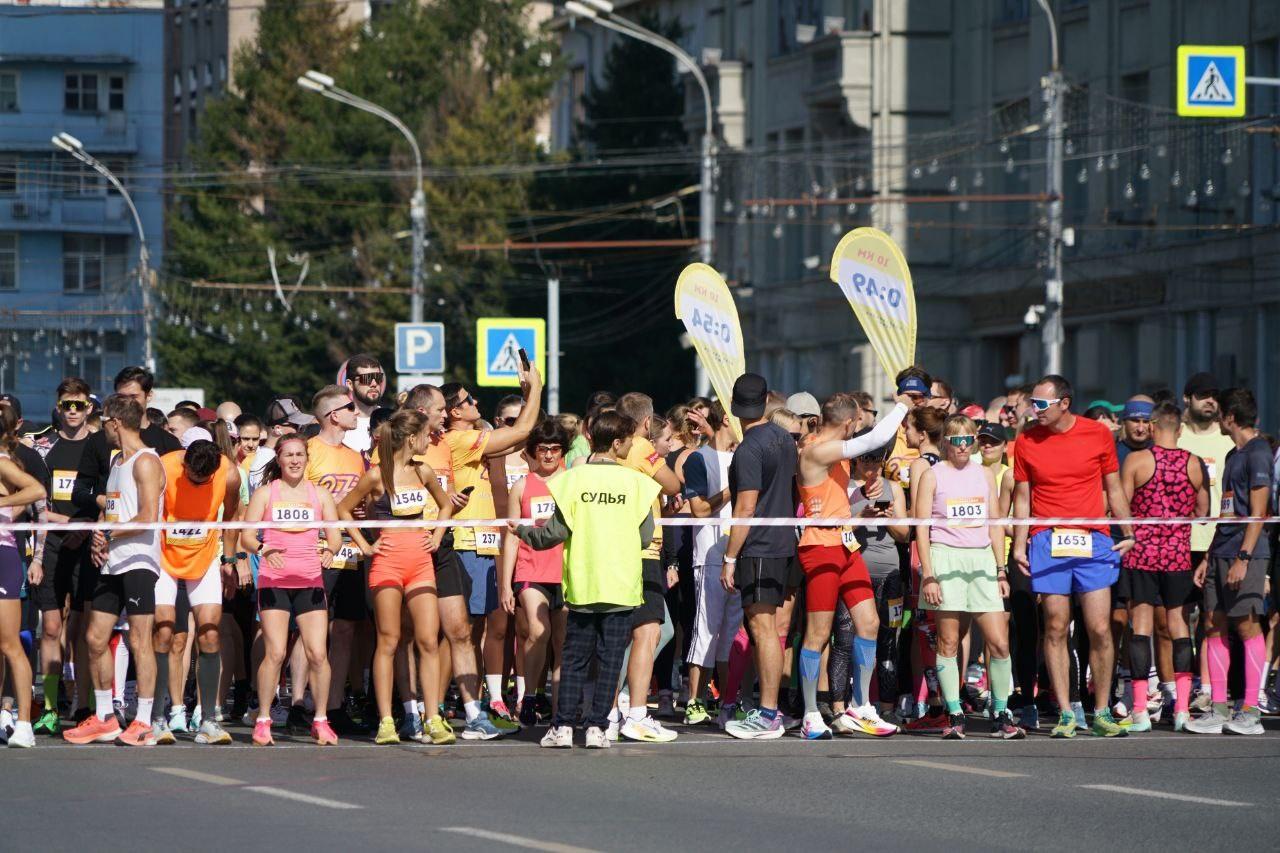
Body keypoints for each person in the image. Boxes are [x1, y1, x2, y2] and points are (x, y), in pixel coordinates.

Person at [509, 411, 661, 749]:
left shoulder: (572, 480)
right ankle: (597, 728)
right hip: (621, 583)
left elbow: (552, 534)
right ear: (619, 443)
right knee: (610, 659)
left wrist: (521, 530)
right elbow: (646, 537)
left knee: (574, 657)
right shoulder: (637, 483)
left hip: (583, 581)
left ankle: (563, 727)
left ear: (591, 439)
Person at [1011, 375, 1134, 738]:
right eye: (1033, 403)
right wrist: (1019, 543)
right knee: (1054, 624)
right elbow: (1022, 496)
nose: (1035, 410)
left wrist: (1127, 532)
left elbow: (1113, 487)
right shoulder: (1025, 440)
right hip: (1047, 539)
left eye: (1042, 404)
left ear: (1065, 403)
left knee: (1099, 627)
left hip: (1094, 539)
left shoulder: (1098, 434)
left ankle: (1101, 711)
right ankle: (1065, 712)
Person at [794, 394, 908, 739]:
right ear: (848, 423)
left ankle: (861, 706)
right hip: (820, 548)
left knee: (869, 622)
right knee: (818, 632)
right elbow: (875, 439)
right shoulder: (816, 449)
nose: (859, 428)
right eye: (857, 422)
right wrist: (902, 405)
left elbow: (836, 501)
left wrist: (862, 499)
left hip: (845, 544)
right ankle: (811, 713)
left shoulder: (838, 453)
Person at [340, 409, 455, 746]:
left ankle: (432, 717)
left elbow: (445, 506)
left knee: (428, 640)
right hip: (387, 563)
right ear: (411, 439)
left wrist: (435, 535)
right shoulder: (377, 475)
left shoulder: (424, 471)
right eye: (425, 436)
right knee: (388, 641)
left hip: (420, 562)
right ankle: (387, 720)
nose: (429, 440)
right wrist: (364, 545)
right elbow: (343, 508)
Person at [441, 364, 543, 731]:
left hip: (486, 542)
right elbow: (523, 429)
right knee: (460, 633)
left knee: (471, 631)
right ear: (455, 412)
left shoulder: (474, 436)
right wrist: (536, 389)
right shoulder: (458, 439)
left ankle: (474, 704)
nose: (476, 402)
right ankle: (440, 708)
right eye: (469, 400)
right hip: (467, 542)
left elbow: (520, 438)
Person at [61, 395, 165, 746]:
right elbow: (114, 511)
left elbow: (148, 516)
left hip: (138, 560)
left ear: (116, 423)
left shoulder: (146, 461)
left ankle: (145, 720)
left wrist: (108, 532)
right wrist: (98, 535)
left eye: (105, 421)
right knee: (94, 638)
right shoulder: (116, 460)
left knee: (139, 640)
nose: (102, 427)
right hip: (112, 559)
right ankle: (105, 717)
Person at [914, 415, 1022, 739]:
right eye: (956, 440)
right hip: (945, 556)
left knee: (999, 642)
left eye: (967, 440)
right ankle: (955, 713)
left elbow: (995, 523)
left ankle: (1001, 712)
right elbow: (921, 526)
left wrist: (1000, 569)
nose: (962, 446)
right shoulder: (933, 475)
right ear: (946, 441)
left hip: (981, 561)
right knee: (949, 640)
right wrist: (929, 574)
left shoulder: (986, 473)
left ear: (974, 442)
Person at [399, 384, 495, 741]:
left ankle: (473, 714)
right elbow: (372, 494)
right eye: (441, 409)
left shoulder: (445, 443)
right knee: (410, 636)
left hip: (440, 546)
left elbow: (443, 502)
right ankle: (412, 713)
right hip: (404, 548)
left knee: (459, 629)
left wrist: (441, 527)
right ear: (423, 413)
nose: (446, 414)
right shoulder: (392, 446)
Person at [240, 434, 343, 746]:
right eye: (289, 455)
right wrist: (263, 548)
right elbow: (245, 537)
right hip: (274, 581)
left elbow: (335, 538)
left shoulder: (320, 495)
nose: (295, 461)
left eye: (300, 455)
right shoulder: (265, 493)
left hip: (310, 581)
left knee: (317, 653)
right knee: (275, 652)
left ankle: (321, 719)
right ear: (280, 460)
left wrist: (329, 551)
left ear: (307, 459)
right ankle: (263, 719)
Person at [1186, 388, 1273, 736]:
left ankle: (1250, 709)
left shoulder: (1259, 453)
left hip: (1245, 552)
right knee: (1213, 623)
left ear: (1230, 418)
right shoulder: (1232, 453)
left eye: (1221, 414)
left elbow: (1257, 513)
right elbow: (1228, 510)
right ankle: (1219, 707)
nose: (1217, 418)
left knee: (1247, 625)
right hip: (1221, 549)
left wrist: (1243, 558)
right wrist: (1209, 555)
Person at [1119, 402, 1206, 732]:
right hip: (1178, 555)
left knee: (1139, 629)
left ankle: (1140, 709)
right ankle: (1183, 709)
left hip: (1142, 554)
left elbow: (1122, 505)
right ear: (1180, 429)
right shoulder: (1194, 463)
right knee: (1179, 628)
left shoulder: (1137, 460)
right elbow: (1203, 508)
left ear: (1153, 427)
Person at [719, 374, 797, 740]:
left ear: (735, 406)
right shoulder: (785, 438)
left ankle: (768, 713)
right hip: (783, 544)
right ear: (766, 401)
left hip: (760, 547)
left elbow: (746, 507)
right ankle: (769, 709)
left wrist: (730, 558)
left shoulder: (749, 448)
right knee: (770, 630)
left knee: (762, 630)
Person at [152, 436, 242, 745]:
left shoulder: (229, 474)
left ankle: (208, 720)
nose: (198, 482)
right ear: (184, 464)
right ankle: (157, 718)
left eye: (204, 481)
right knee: (164, 632)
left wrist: (229, 560)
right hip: (162, 558)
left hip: (203, 559)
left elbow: (231, 517)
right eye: (193, 477)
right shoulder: (164, 468)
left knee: (210, 632)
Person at [28, 377, 98, 735]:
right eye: (67, 405)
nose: (73, 411)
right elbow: (38, 502)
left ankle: (84, 704)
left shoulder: (100, 445)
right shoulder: (44, 448)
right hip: (53, 544)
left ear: (89, 407)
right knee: (52, 627)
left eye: (79, 405)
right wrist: (62, 529)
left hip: (89, 544)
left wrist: (83, 527)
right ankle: (51, 707)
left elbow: (107, 498)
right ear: (58, 408)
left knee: (87, 631)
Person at [611, 392, 681, 743]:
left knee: (647, 631)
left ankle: (613, 709)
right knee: (646, 633)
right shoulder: (639, 447)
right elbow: (673, 483)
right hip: (643, 551)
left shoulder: (615, 447)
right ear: (644, 423)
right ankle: (634, 712)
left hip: (620, 547)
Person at [305, 385, 370, 734]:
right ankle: (302, 703)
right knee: (309, 631)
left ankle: (333, 706)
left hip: (351, 547)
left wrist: (361, 506)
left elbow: (363, 501)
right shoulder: (308, 451)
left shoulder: (354, 456)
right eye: (350, 408)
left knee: (345, 628)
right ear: (333, 415)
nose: (356, 413)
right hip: (314, 548)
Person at [830, 447, 908, 731]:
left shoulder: (893, 488)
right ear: (855, 461)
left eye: (877, 459)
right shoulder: (845, 488)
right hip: (853, 569)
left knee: (888, 640)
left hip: (890, 572)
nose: (872, 464)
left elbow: (905, 534)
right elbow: (837, 530)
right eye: (866, 458)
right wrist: (861, 515)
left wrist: (887, 517)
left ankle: (885, 708)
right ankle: (839, 707)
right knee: (844, 639)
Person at [499, 420, 571, 725]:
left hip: (566, 570)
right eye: (543, 449)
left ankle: (559, 706)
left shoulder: (571, 481)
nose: (550, 455)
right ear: (533, 452)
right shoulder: (522, 486)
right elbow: (512, 535)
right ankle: (527, 697)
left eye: (555, 449)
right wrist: (505, 584)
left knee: (563, 642)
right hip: (531, 570)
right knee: (538, 632)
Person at [681, 402, 737, 727]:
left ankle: (728, 701)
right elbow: (700, 510)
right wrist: (732, 490)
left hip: (738, 554)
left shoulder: (745, 454)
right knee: (707, 631)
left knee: (731, 635)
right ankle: (694, 701)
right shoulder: (699, 459)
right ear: (727, 419)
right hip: (710, 557)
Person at [0, 406, 47, 748]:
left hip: (2, 556)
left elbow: (36, 491)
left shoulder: (3, 461)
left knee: (9, 643)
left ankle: (25, 725)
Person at [342, 354, 387, 454]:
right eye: (367, 378)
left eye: (378, 378)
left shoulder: (392, 420)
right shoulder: (339, 424)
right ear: (350, 384)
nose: (374, 384)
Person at [233, 414, 275, 493]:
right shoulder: (227, 460)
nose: (251, 445)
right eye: (245, 439)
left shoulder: (266, 461)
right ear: (236, 438)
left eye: (255, 439)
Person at [1116, 397, 1154, 465]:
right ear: (1124, 422)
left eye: (1146, 422)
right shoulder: (1112, 454)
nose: (1140, 429)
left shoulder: (1162, 456)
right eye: (1135, 421)